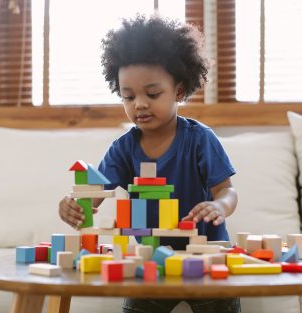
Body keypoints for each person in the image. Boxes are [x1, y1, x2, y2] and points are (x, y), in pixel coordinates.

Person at [59, 14, 240, 313]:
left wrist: (220, 206)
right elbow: (93, 194)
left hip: (205, 255)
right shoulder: (123, 149)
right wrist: (74, 204)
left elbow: (227, 191)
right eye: (128, 96)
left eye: (152, 94)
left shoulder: (199, 139)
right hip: (149, 259)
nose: (139, 104)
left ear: (179, 91)